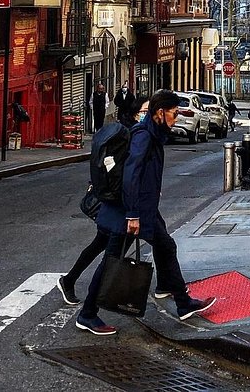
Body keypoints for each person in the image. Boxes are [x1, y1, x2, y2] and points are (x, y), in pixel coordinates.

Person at [75, 90, 215, 335]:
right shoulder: (143, 136)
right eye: (174, 113)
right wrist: (132, 215)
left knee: (166, 246)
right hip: (131, 212)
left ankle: (182, 302)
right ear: (160, 113)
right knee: (111, 262)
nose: (176, 118)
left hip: (145, 209)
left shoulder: (153, 134)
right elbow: (131, 175)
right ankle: (87, 314)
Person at [58, 97, 150, 311]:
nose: (147, 115)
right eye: (144, 111)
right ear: (135, 113)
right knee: (110, 253)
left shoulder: (126, 132)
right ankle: (89, 305)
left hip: (112, 204)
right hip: (119, 205)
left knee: (99, 245)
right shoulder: (131, 135)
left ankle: (70, 281)